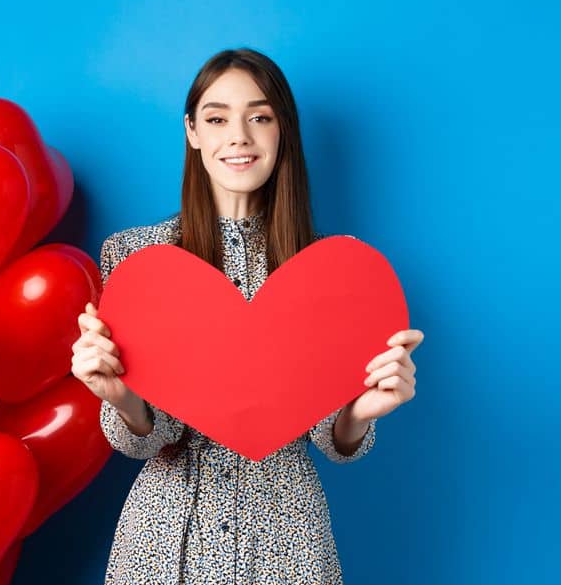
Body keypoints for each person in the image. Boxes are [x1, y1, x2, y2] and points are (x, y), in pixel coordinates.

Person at [68, 47, 424, 584]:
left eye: (259, 117)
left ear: (283, 132)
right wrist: (119, 397)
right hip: (168, 537)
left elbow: (333, 436)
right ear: (192, 132)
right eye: (217, 118)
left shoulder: (331, 268)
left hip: (289, 538)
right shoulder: (136, 258)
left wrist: (361, 411)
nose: (239, 136)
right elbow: (148, 435)